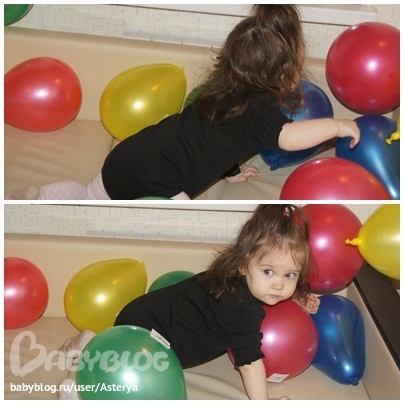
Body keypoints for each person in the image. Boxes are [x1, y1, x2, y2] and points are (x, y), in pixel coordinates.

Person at [5, 5, 360, 201]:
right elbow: (287, 137)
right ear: (284, 72)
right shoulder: (260, 109)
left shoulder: (220, 88)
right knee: (175, 203)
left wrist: (230, 171)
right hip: (156, 183)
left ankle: (42, 195)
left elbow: (212, 138)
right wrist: (337, 125)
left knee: (90, 194)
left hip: (127, 157)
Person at [58, 205, 320, 400]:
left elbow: (276, 283)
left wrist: (298, 296)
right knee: (135, 379)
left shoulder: (229, 274)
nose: (279, 285)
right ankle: (78, 392)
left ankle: (93, 341)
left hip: (141, 313)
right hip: (148, 336)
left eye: (290, 275)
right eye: (268, 272)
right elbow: (249, 362)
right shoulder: (240, 307)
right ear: (243, 264)